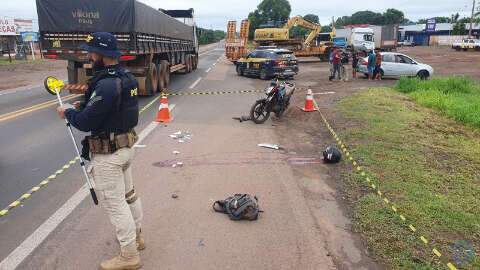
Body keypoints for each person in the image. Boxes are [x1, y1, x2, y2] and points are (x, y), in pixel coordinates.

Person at [56, 32, 144, 270]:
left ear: (102, 55)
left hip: (109, 155)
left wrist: (69, 113)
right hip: (125, 147)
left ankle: (129, 256)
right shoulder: (126, 77)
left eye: (92, 52)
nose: (89, 56)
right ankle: (137, 237)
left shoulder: (105, 84)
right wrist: (84, 105)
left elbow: (85, 123)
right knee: (129, 195)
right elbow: (112, 109)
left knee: (116, 205)